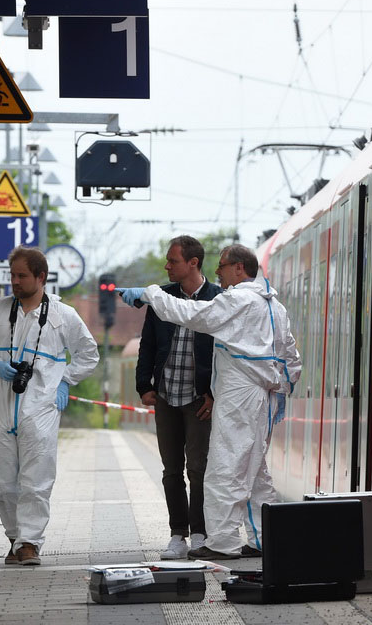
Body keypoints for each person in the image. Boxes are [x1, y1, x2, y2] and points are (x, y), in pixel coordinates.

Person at [117, 244, 301, 560]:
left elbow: (192, 315)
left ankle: (222, 543)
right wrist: (277, 384)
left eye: (223, 266)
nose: (217, 272)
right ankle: (261, 539)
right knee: (255, 472)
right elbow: (291, 357)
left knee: (225, 467)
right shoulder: (275, 307)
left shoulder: (238, 301)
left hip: (239, 394)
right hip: (263, 396)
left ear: (240, 268)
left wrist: (151, 294)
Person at [0, 246, 99, 566]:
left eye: (21, 275)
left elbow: (88, 353)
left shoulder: (62, 314)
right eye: (12, 275)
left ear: (41, 277)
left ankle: (30, 542)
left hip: (40, 404)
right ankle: (14, 537)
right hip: (1, 403)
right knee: (1, 480)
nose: (15, 281)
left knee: (36, 477)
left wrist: (65, 379)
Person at [135, 236, 222, 560]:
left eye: (173, 261)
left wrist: (213, 394)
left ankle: (200, 533)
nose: (167, 266)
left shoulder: (218, 299)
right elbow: (147, 344)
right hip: (167, 397)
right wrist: (144, 385)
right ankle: (177, 535)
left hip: (200, 400)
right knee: (171, 470)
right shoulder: (163, 298)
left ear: (193, 263)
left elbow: (226, 354)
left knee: (199, 469)